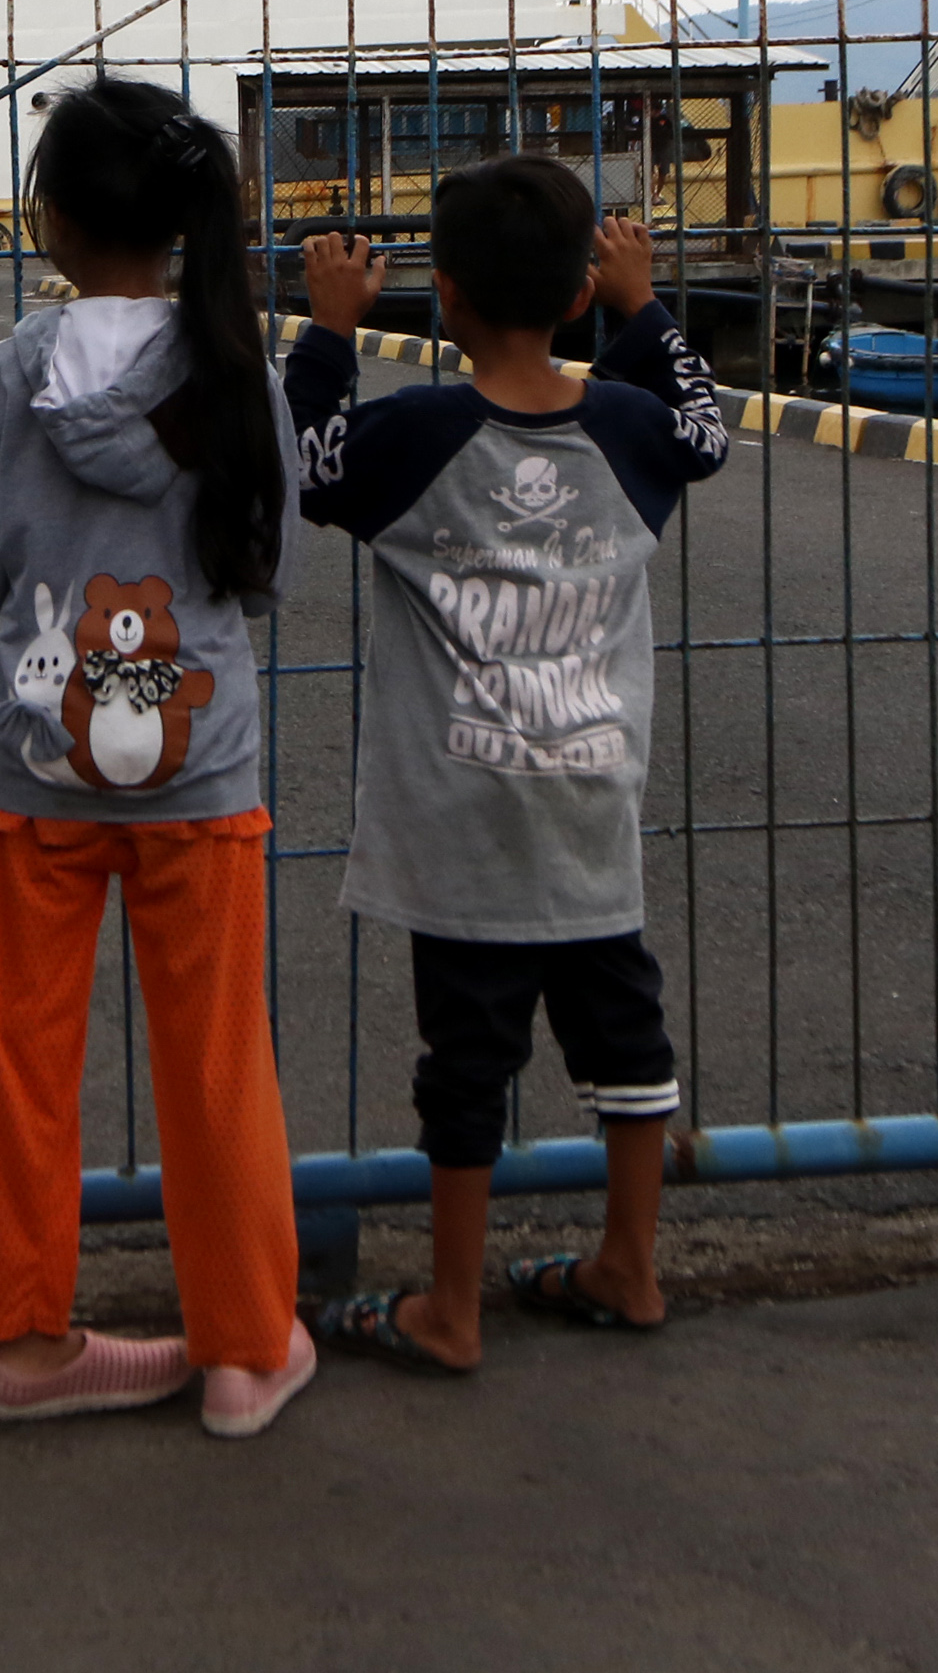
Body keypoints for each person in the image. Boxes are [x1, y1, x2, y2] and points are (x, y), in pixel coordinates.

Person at [282, 157, 730, 1373]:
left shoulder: (419, 435)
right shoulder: (632, 438)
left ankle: (451, 1305)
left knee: (467, 1061)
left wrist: (330, 331)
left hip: (459, 814)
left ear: (447, 294)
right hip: (591, 796)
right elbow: (705, 426)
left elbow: (314, 464)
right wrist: (645, 307)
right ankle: (629, 1263)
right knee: (625, 1037)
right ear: (578, 294)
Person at [0, 75, 317, 1439]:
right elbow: (263, 578)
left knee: (21, 1059)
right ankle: (239, 1350)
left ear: (46, 219)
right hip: (201, 775)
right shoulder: (231, 367)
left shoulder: (1, 378)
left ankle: (28, 1344)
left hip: (35, 775)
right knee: (216, 1062)